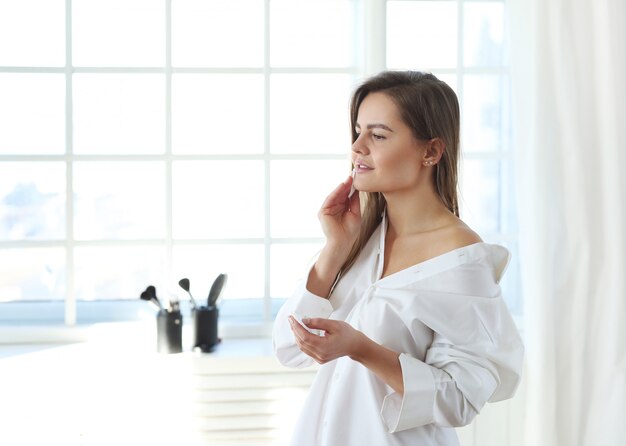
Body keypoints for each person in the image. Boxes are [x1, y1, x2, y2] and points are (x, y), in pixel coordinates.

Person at [272, 71, 524, 446]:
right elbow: (289, 348)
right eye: (357, 131)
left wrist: (361, 349)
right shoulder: (360, 236)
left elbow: (460, 399)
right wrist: (334, 250)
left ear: (431, 151)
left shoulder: (460, 258)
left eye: (377, 135)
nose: (357, 147)